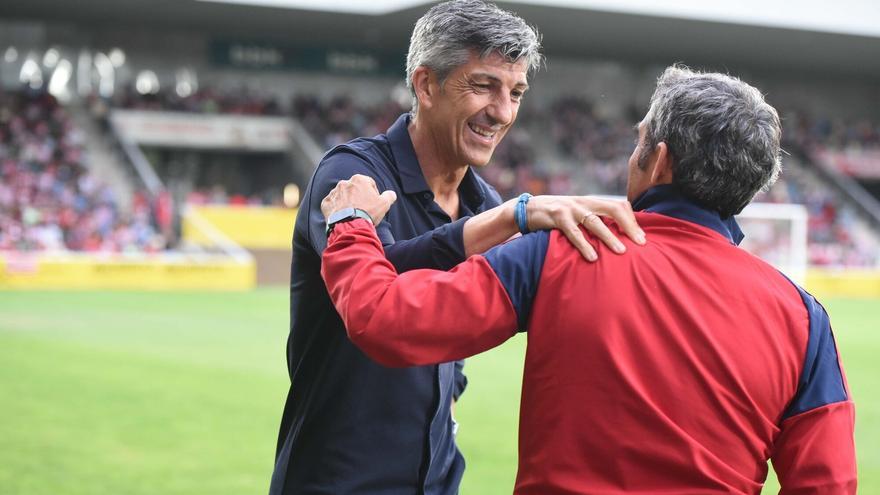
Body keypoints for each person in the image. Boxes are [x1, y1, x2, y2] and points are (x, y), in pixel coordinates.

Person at [319, 66, 857, 493]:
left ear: (659, 161)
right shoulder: (803, 318)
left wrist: (350, 223)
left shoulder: (564, 249)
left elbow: (385, 320)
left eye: (639, 141)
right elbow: (828, 483)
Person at [269, 1, 647, 493]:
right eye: (484, 86)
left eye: (516, 92)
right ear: (426, 85)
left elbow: (459, 318)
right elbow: (382, 285)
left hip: (438, 481)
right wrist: (512, 217)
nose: (503, 112)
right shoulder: (351, 177)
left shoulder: (484, 204)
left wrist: (451, 388)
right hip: (335, 479)